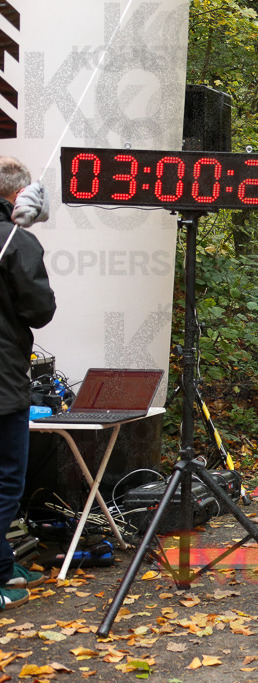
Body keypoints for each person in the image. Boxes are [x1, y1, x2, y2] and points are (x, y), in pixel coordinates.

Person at [0, 158, 57, 609]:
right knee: (4, 484)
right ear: (19, 197)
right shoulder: (16, 241)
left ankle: (4, 566)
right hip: (2, 389)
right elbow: (39, 309)